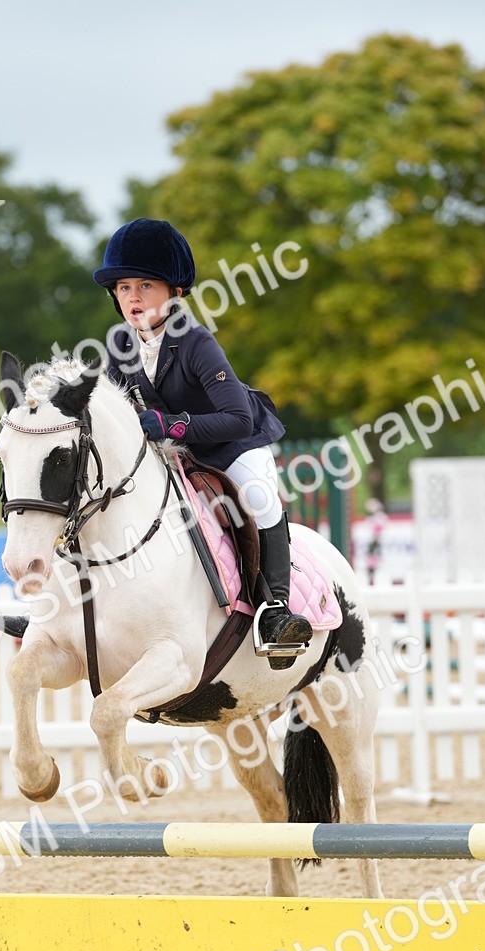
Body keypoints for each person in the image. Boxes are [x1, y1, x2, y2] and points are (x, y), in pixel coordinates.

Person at [93, 217, 312, 666]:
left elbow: (236, 416)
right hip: (173, 455)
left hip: (233, 445)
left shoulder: (195, 342)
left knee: (259, 497)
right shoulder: (120, 345)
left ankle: (275, 610)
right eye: (123, 287)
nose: (133, 297)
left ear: (175, 292)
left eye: (146, 285)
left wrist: (170, 425)